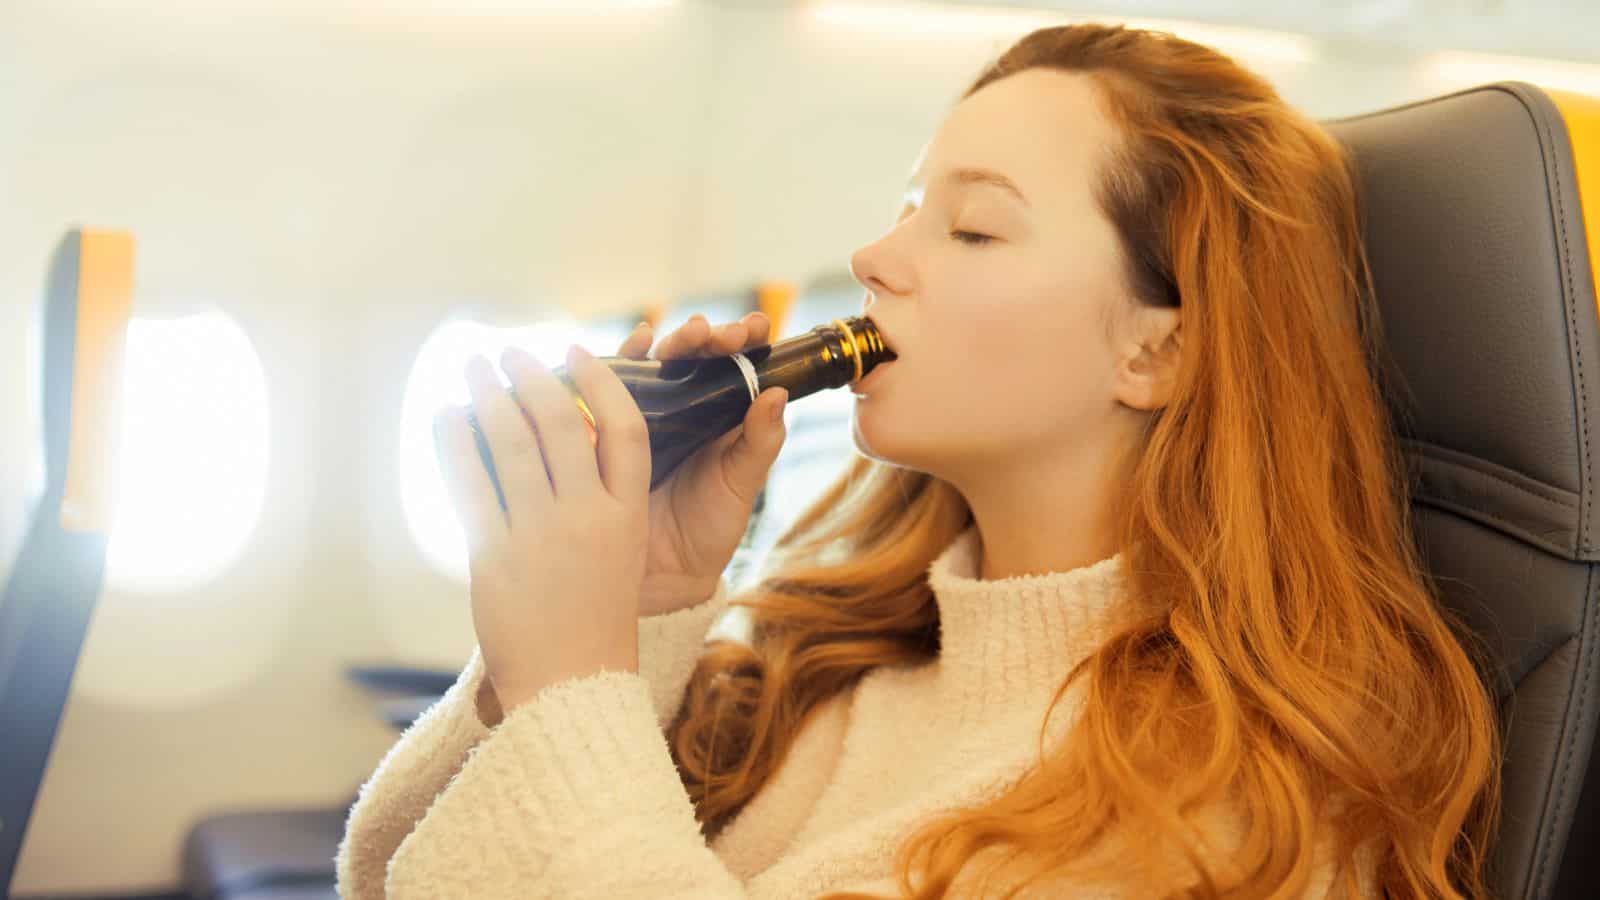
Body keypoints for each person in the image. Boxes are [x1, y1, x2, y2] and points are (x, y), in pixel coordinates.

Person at [335, 23, 1500, 899]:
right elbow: (394, 872)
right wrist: (636, 614)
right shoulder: (843, 649)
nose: (875, 257)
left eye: (974, 228)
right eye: (904, 211)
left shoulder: (1225, 804)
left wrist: (566, 683)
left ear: (1161, 348)